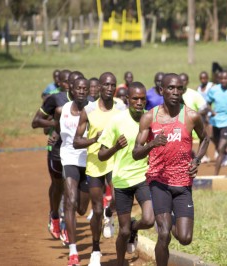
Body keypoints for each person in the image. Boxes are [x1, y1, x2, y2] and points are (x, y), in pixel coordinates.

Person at [132, 73, 209, 266]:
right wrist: (152, 144)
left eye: (179, 88)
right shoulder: (149, 118)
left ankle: (170, 216)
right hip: (159, 182)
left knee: (185, 238)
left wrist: (197, 160)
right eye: (171, 88)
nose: (175, 92)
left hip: (183, 182)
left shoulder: (191, 116)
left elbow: (205, 138)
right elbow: (136, 152)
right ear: (161, 90)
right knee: (164, 234)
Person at [98, 82, 155, 266]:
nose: (139, 102)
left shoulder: (151, 118)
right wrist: (116, 147)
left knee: (148, 219)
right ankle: (120, 261)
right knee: (122, 232)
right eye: (135, 99)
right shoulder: (116, 121)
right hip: (122, 180)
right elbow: (101, 154)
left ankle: (134, 227)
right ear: (127, 99)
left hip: (143, 177)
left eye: (142, 99)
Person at [73, 72, 126, 265]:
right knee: (95, 209)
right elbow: (76, 142)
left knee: (118, 199)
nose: (110, 88)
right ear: (99, 87)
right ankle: (96, 250)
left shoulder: (121, 110)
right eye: (106, 85)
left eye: (113, 85)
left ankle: (109, 214)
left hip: (114, 160)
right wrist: (95, 139)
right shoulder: (89, 110)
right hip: (95, 162)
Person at [31, 70, 84, 246]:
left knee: (72, 192)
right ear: (66, 85)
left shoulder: (88, 101)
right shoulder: (55, 100)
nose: (77, 89)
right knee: (58, 186)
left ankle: (66, 225)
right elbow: (36, 122)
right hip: (56, 150)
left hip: (77, 152)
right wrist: (55, 124)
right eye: (72, 84)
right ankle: (54, 215)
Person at [54, 78, 91, 266]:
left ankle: (75, 209)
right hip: (69, 158)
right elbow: (55, 125)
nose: (82, 91)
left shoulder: (93, 109)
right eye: (79, 88)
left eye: (85, 88)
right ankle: (73, 251)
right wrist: (54, 135)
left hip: (89, 160)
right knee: (70, 201)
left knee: (82, 209)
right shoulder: (63, 110)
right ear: (72, 90)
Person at [196, 71, 214, 163]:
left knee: (212, 135)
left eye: (205, 78)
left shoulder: (211, 86)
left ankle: (220, 150)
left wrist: (210, 111)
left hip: (211, 113)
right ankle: (205, 156)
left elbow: (212, 101)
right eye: (202, 78)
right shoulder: (198, 88)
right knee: (204, 136)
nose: (203, 80)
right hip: (202, 114)